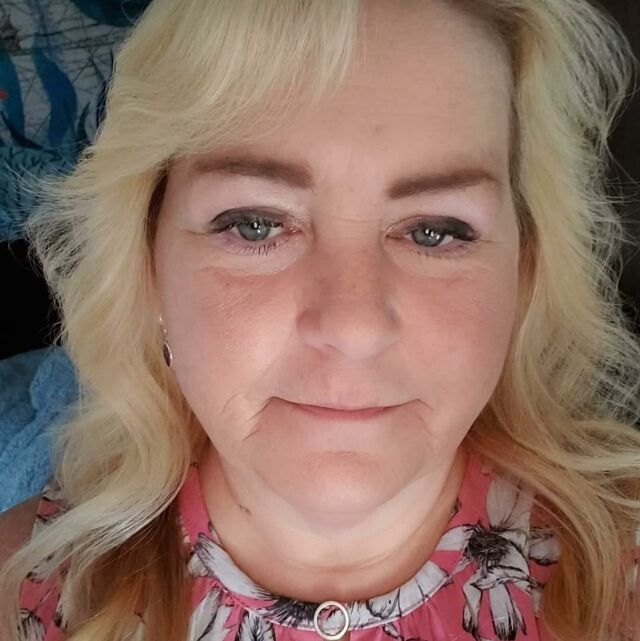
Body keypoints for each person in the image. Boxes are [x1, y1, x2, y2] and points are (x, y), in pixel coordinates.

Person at [1, 0, 640, 639]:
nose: (352, 327)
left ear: (524, 271)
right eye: (255, 224)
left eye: (436, 231)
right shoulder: (20, 591)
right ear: (147, 263)